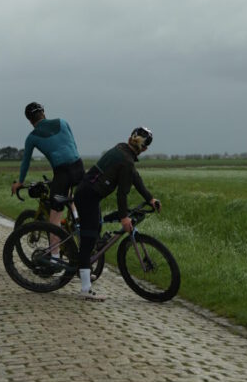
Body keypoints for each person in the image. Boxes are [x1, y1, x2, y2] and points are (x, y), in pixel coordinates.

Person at [73, 126, 161, 301]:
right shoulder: (126, 161)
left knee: (95, 229)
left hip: (88, 192)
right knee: (89, 238)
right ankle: (85, 288)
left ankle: (84, 269)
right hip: (88, 196)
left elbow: (135, 177)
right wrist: (124, 218)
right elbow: (122, 193)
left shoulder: (121, 149)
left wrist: (150, 198)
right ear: (144, 148)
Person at [11, 103, 84, 237]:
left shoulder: (32, 137)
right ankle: (76, 219)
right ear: (43, 113)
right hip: (79, 167)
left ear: (30, 121)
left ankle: (54, 257)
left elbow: (26, 162)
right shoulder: (63, 122)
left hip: (62, 173)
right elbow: (73, 145)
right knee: (68, 194)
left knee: (53, 223)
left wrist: (20, 182)